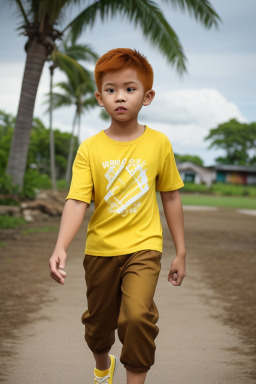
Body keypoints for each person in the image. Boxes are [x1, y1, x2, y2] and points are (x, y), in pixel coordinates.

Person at [49, 48, 186, 384]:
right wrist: (60, 246)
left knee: (138, 318)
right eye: (111, 90)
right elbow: (78, 201)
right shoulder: (90, 148)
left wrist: (180, 251)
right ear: (99, 97)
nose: (120, 97)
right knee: (98, 325)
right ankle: (102, 367)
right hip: (100, 250)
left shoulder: (159, 144)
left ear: (148, 96)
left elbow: (170, 196)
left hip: (144, 247)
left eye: (130, 89)